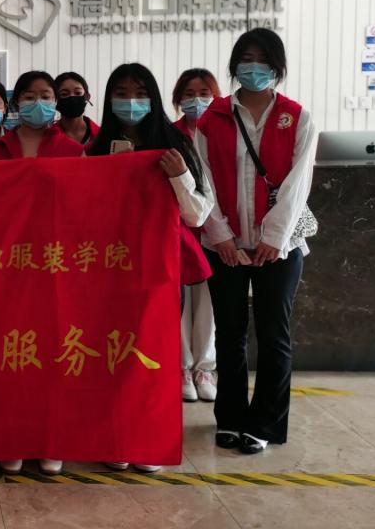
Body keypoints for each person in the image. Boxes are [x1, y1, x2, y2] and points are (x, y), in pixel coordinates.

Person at [194, 29, 317, 455]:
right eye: (245, 58)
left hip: (278, 249)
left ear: (277, 66)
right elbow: (203, 182)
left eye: (262, 59)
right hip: (225, 247)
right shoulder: (211, 119)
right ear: (234, 66)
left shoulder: (297, 117)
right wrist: (222, 236)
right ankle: (229, 418)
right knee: (229, 335)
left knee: (273, 335)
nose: (253, 67)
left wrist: (274, 237)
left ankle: (264, 422)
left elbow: (299, 183)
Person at [88, 62, 215, 473]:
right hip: (109, 270)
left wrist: (180, 177)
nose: (131, 101)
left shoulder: (176, 142)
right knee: (113, 356)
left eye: (140, 92)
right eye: (121, 93)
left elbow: (198, 213)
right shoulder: (95, 147)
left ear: (155, 97)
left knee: (155, 355)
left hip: (160, 270)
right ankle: (116, 437)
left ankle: (148, 440)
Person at [171, 68, 222, 403]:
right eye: (189, 94)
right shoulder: (170, 134)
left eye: (204, 93)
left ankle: (205, 368)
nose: (197, 100)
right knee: (180, 305)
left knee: (208, 306)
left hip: (218, 231)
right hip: (181, 230)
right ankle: (183, 367)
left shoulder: (224, 132)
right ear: (178, 99)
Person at [0, 71, 84, 160]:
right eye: (29, 97)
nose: (38, 103)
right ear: (16, 103)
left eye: (45, 97)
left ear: (55, 102)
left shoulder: (74, 151)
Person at [55, 71, 101, 148]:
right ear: (55, 99)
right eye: (64, 94)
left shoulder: (102, 136)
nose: (72, 97)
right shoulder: (47, 137)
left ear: (87, 97)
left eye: (78, 93)